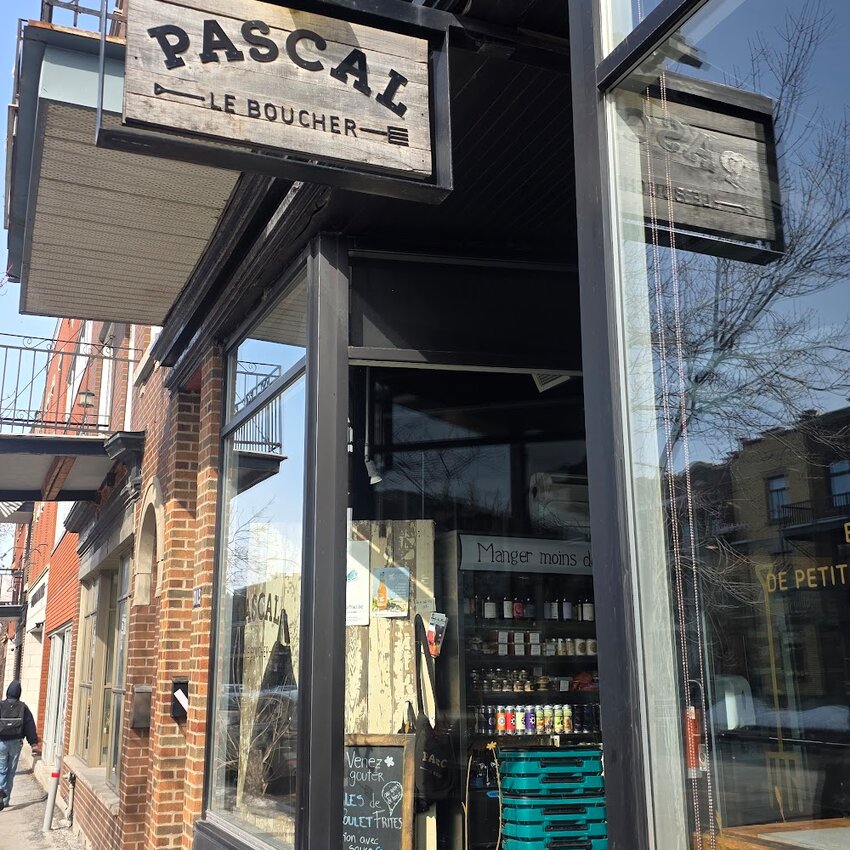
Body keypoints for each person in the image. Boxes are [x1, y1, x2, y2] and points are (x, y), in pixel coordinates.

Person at [0, 681, 39, 810]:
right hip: (16, 743)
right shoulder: (23, 707)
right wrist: (33, 743)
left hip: (1, 742)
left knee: (1, 769)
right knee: (11, 772)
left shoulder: (1, 705)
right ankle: (5, 800)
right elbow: (29, 726)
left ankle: (0, 791)